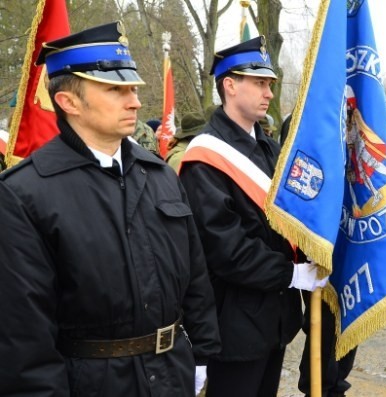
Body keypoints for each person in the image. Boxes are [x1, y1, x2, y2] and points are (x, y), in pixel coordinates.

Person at [0, 21, 221, 396]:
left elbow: (196, 276)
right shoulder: (24, 194)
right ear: (68, 102)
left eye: (133, 88)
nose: (134, 101)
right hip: (92, 383)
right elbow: (23, 337)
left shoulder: (160, 174)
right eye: (116, 89)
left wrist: (200, 355)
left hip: (171, 374)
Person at [178, 36, 326, 397]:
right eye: (259, 83)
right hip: (235, 324)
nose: (269, 93)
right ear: (229, 85)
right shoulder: (204, 158)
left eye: (270, 85)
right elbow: (225, 249)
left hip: (275, 319)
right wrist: (290, 274)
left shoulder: (270, 148)